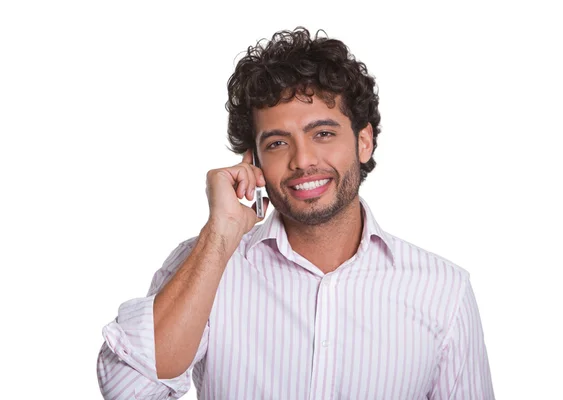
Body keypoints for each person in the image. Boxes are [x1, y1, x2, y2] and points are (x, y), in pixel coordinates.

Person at [97, 27, 495, 399]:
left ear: (364, 142)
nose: (303, 161)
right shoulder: (206, 265)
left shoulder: (444, 290)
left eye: (323, 134)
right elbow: (129, 390)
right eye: (277, 143)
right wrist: (219, 237)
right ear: (252, 161)